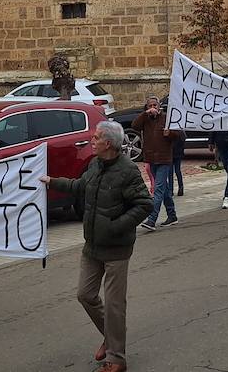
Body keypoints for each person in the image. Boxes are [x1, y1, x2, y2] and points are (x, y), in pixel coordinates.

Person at [43, 120, 152, 372]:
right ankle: (111, 337)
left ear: (109, 144)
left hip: (117, 248)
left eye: (96, 137)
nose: (92, 140)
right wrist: (51, 181)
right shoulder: (95, 164)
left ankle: (117, 359)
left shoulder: (127, 171)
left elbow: (144, 205)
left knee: (114, 305)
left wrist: (116, 226)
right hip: (92, 245)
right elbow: (79, 186)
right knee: (85, 295)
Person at [132, 96, 183, 230]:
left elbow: (179, 134)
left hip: (164, 159)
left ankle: (152, 219)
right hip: (151, 157)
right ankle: (172, 215)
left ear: (159, 106)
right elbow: (134, 126)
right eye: (150, 106)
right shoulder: (145, 119)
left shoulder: (166, 118)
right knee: (164, 188)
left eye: (155, 105)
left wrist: (170, 133)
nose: (153, 108)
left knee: (158, 189)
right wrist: (144, 114)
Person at [171, 125, 186, 196]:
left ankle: (171, 190)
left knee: (170, 172)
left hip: (172, 153)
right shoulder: (181, 131)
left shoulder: (171, 131)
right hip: (178, 152)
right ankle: (181, 187)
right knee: (177, 171)